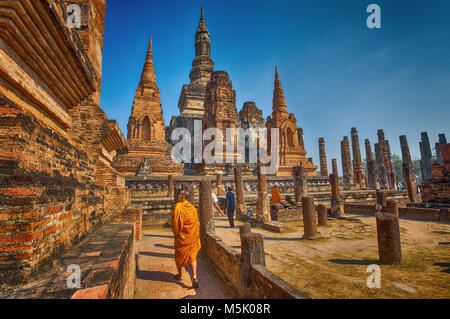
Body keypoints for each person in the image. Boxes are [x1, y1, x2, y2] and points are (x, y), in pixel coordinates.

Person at [170, 189, 201, 288]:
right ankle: (195, 276)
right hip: (191, 236)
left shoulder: (178, 207)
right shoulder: (192, 208)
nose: (179, 195)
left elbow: (174, 223)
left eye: (180, 194)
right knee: (193, 256)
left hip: (181, 237)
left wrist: (176, 232)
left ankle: (180, 275)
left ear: (183, 196)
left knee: (178, 255)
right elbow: (196, 223)